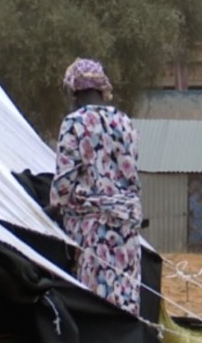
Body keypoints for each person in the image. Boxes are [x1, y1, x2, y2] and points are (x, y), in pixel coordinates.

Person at [50, 58, 143, 316]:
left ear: (73, 90)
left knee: (95, 299)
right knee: (124, 299)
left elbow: (65, 181)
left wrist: (51, 208)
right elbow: (130, 171)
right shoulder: (125, 122)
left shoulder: (75, 123)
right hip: (127, 227)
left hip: (94, 229)